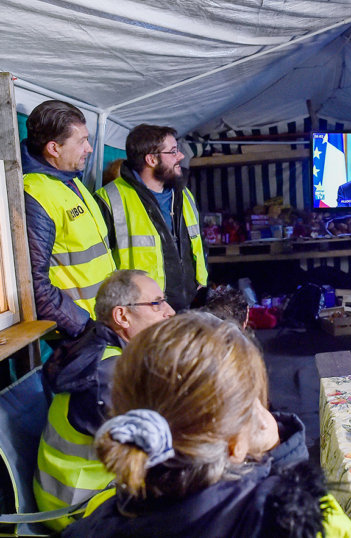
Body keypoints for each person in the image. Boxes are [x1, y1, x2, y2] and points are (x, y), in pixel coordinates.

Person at [63, 312, 351, 538]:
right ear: (235, 445)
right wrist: (285, 464)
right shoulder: (299, 522)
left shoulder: (98, 514)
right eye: (255, 405)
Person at [34, 270, 175, 529]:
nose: (170, 311)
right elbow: (157, 454)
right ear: (122, 316)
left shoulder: (110, 352)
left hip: (88, 494)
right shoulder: (108, 375)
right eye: (156, 303)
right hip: (81, 509)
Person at [21, 100, 117, 337]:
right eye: (82, 141)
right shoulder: (34, 193)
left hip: (102, 323)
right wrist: (85, 329)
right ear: (54, 148)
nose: (90, 148)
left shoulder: (71, 180)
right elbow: (34, 285)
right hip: (79, 335)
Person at [96, 124, 207, 312]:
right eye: (172, 152)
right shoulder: (109, 199)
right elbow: (100, 262)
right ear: (151, 159)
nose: (180, 156)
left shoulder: (184, 193)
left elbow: (196, 241)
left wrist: (198, 280)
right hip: (141, 310)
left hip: (184, 304)